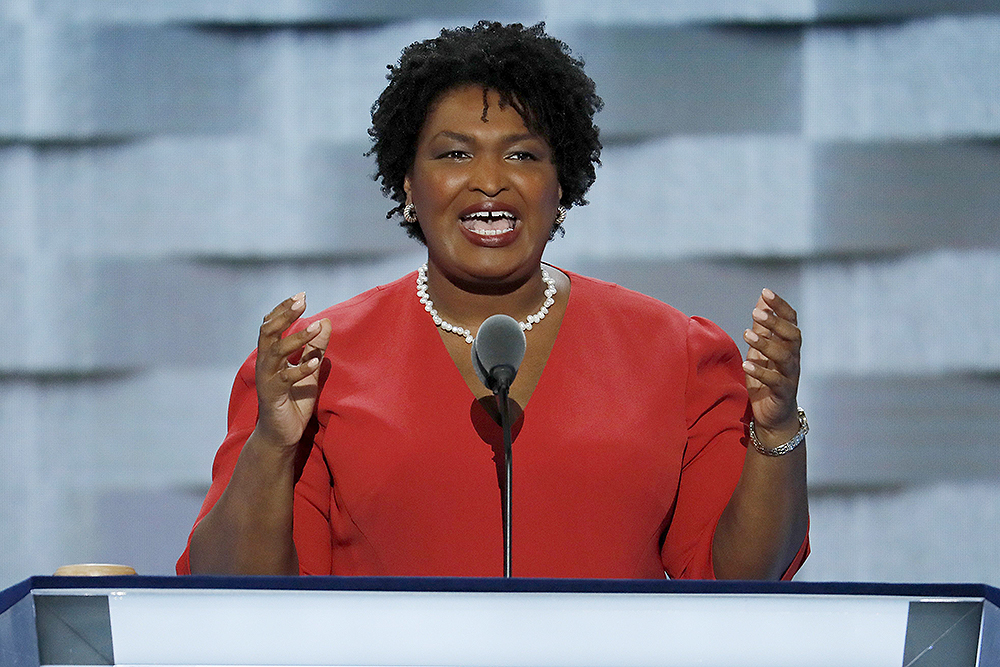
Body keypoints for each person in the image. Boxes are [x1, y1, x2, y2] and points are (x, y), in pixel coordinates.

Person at [178, 21, 809, 579]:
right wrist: (272, 441)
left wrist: (775, 430)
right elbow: (231, 592)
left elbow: (739, 581)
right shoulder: (315, 363)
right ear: (407, 180)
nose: (489, 181)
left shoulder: (678, 354)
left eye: (523, 154)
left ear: (562, 182)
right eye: (454, 153)